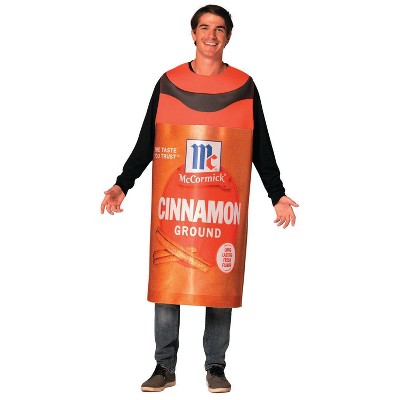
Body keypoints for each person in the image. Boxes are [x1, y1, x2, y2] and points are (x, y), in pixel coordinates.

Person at [101, 4, 298, 393]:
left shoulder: (244, 86)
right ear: (193, 34)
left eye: (219, 28)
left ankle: (216, 367)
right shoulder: (169, 82)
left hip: (221, 209)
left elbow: (260, 145)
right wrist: (123, 184)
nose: (211, 35)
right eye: (204, 27)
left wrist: (276, 193)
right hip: (177, 207)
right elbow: (148, 140)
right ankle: (164, 367)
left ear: (229, 36)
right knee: (168, 277)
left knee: (220, 280)